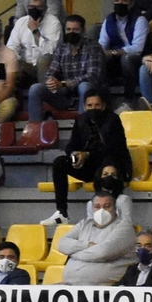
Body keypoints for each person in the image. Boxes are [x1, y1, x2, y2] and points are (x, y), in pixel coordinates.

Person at [44, 90, 129, 225]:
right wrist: (74, 155)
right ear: (84, 106)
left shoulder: (113, 119)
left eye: (97, 105)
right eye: (90, 105)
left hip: (112, 164)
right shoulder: (80, 120)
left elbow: (114, 148)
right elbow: (71, 145)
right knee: (60, 162)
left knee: (107, 167)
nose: (93, 108)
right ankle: (62, 213)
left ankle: (109, 213)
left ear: (103, 106)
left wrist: (87, 154)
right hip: (88, 166)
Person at [28, 14, 101, 120]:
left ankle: (83, 125)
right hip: (65, 97)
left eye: (76, 29)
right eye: (68, 29)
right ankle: (36, 130)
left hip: (90, 98)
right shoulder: (61, 49)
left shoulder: (94, 48)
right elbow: (51, 72)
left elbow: (92, 76)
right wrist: (51, 80)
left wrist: (64, 83)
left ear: (83, 30)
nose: (71, 32)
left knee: (84, 86)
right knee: (35, 88)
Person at [57, 191, 136, 285]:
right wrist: (87, 245)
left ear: (114, 208)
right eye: (97, 207)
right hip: (71, 286)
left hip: (107, 288)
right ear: (92, 209)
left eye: (107, 206)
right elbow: (62, 244)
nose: (101, 210)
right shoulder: (84, 224)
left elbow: (102, 252)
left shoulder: (124, 227)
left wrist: (72, 254)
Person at [7, 0, 61, 91]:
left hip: (48, 65)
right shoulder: (21, 22)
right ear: (27, 7)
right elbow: (11, 47)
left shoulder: (54, 23)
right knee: (10, 59)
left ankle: (44, 93)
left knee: (43, 60)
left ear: (45, 8)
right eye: (31, 7)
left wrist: (35, 31)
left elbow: (48, 51)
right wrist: (16, 60)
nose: (34, 10)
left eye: (39, 7)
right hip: (27, 64)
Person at [100, 0, 149, 88]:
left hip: (137, 58)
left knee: (126, 59)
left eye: (124, 1)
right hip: (115, 58)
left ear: (131, 3)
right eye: (117, 1)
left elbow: (137, 48)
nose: (120, 3)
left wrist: (113, 52)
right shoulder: (109, 20)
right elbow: (102, 44)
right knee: (98, 58)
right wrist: (102, 53)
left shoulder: (140, 20)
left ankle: (129, 97)